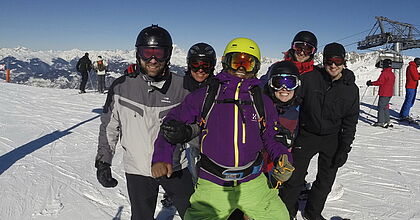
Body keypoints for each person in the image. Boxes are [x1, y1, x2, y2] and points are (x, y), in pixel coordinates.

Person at [152, 37, 293, 219]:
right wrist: (162, 157)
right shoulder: (206, 95)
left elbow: (271, 137)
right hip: (213, 183)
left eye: (247, 63)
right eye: (236, 62)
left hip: (253, 183)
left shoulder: (261, 100)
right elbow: (172, 124)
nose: (241, 69)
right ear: (226, 62)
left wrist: (283, 157)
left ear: (256, 67)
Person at [94, 24, 194, 220]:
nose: (153, 60)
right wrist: (103, 162)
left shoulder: (183, 88)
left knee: (194, 214)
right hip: (137, 169)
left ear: (169, 55)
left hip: (174, 166)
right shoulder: (122, 86)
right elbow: (109, 127)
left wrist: (188, 132)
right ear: (138, 54)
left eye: (159, 53)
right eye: (147, 53)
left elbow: (200, 124)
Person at [279, 43, 359, 220]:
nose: (333, 65)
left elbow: (351, 120)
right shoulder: (310, 79)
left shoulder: (351, 89)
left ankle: (313, 212)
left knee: (325, 180)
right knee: (294, 179)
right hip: (307, 135)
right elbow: (293, 101)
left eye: (337, 61)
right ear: (324, 61)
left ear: (344, 61)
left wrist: (344, 147)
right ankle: (287, 214)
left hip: (332, 138)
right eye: (329, 61)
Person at [366, 58, 396, 128]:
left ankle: (381, 122)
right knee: (385, 107)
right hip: (389, 93)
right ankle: (387, 121)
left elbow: (380, 82)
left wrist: (371, 83)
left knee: (381, 108)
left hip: (384, 93)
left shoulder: (384, 73)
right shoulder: (392, 73)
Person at [399, 57, 420, 122]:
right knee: (409, 101)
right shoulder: (412, 67)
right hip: (411, 86)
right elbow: (415, 77)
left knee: (409, 100)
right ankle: (404, 115)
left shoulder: (412, 67)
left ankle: (403, 114)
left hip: (412, 86)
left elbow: (416, 75)